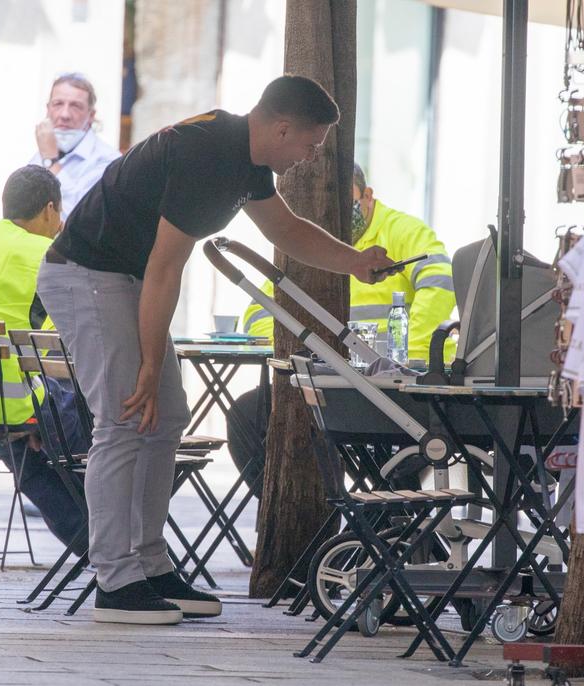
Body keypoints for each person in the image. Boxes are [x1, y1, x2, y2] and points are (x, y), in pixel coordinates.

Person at [36, 75, 396, 626]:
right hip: (88, 274)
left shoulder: (244, 158)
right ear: (281, 128)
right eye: (311, 144)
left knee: (167, 417)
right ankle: (114, 579)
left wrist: (354, 261)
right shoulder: (209, 157)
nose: (310, 157)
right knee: (125, 417)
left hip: (123, 276)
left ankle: (150, 566)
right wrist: (151, 366)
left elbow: (287, 230)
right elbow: (165, 269)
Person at [233, 165, 457, 498]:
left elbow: (439, 285)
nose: (340, 213)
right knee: (246, 416)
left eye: (347, 201)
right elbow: (257, 311)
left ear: (367, 197)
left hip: (402, 380)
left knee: (391, 442)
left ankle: (386, 520)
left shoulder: (403, 231)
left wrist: (400, 353)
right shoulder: (310, 244)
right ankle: (320, 508)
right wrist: (313, 352)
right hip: (334, 378)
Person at [0, 166, 89, 554]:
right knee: (89, 441)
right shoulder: (46, 254)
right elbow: (72, 342)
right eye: (59, 214)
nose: (60, 225)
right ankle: (112, 549)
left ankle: (100, 549)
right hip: (10, 401)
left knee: (29, 458)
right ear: (48, 210)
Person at [30, 73, 120, 219]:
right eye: (58, 104)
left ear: (91, 115)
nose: (65, 114)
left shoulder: (108, 160)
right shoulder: (42, 152)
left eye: (76, 106)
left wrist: (51, 162)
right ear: (48, 109)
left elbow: (81, 217)